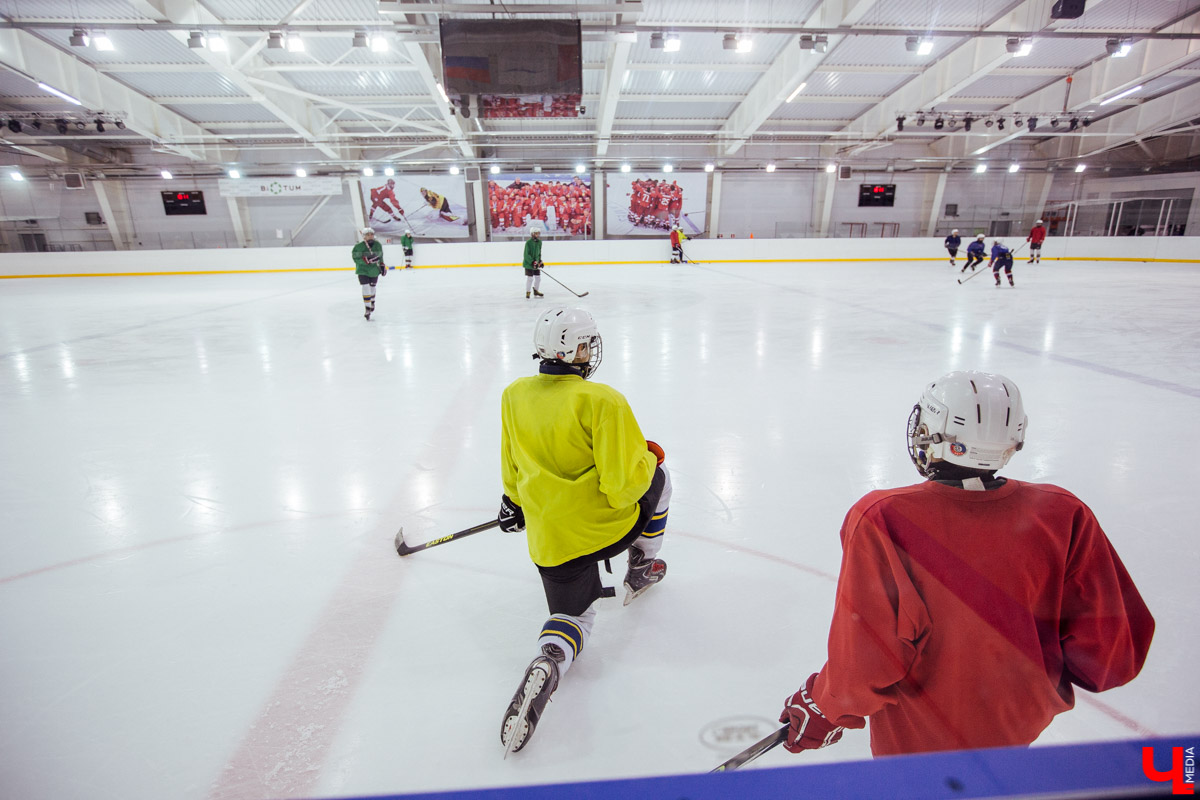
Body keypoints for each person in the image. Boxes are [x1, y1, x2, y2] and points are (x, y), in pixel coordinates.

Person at [777, 370, 1154, 758]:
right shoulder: (1063, 513)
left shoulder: (883, 518)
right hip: (1016, 727)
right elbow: (1111, 652)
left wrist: (824, 707)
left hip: (922, 743)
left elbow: (867, 659)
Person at [497, 307, 672, 755]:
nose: (589, 350)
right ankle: (641, 565)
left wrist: (513, 502)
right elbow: (623, 488)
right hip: (603, 528)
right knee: (661, 481)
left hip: (550, 540)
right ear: (572, 349)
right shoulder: (602, 400)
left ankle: (550, 658)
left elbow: (512, 467)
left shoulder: (514, 394)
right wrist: (647, 457)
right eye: (585, 343)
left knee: (573, 617)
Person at [351, 227, 386, 320]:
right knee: (365, 287)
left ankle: (372, 301)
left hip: (374, 270)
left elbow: (381, 256)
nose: (370, 236)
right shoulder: (358, 247)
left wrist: (382, 265)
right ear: (364, 237)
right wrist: (366, 260)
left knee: (372, 287)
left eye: (371, 234)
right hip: (363, 270)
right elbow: (356, 259)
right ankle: (367, 307)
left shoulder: (378, 245)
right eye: (367, 235)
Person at [523, 227, 544, 299]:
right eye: (536, 233)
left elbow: (539, 253)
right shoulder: (528, 243)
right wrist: (532, 262)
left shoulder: (539, 242)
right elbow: (526, 254)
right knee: (530, 278)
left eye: (538, 233)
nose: (538, 235)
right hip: (529, 264)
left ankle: (536, 290)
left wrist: (540, 261)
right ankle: (528, 292)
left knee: (538, 278)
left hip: (536, 263)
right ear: (532, 234)